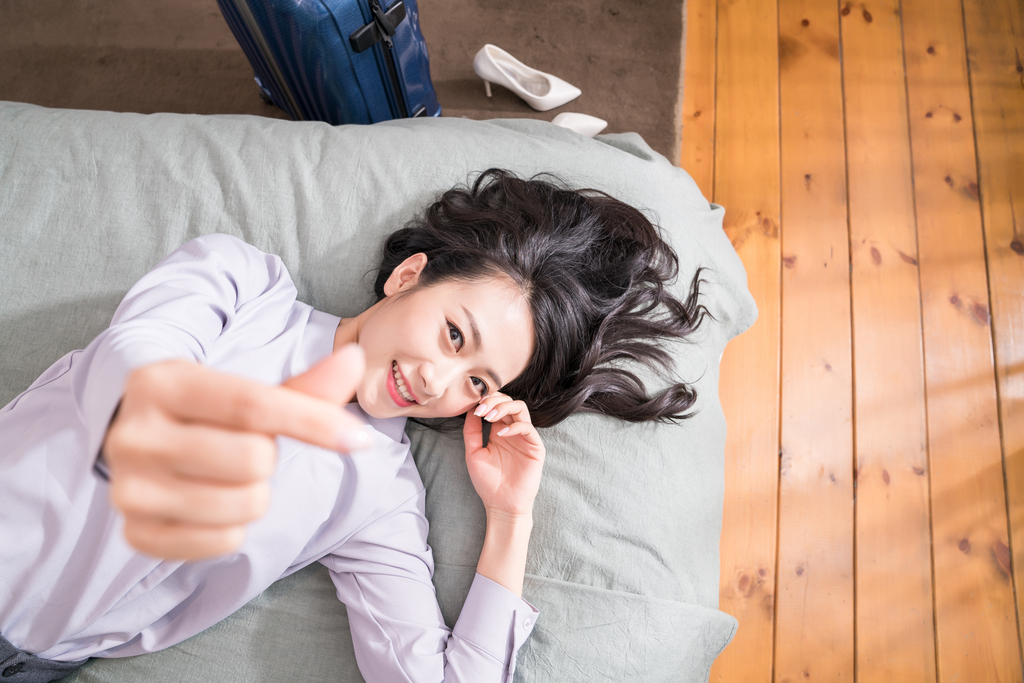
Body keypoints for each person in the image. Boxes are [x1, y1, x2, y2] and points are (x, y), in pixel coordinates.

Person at [0, 169, 707, 683]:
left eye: (478, 383)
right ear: (408, 277)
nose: (439, 381)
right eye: (454, 335)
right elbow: (131, 376)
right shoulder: (239, 283)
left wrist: (510, 516)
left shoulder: (380, 495)